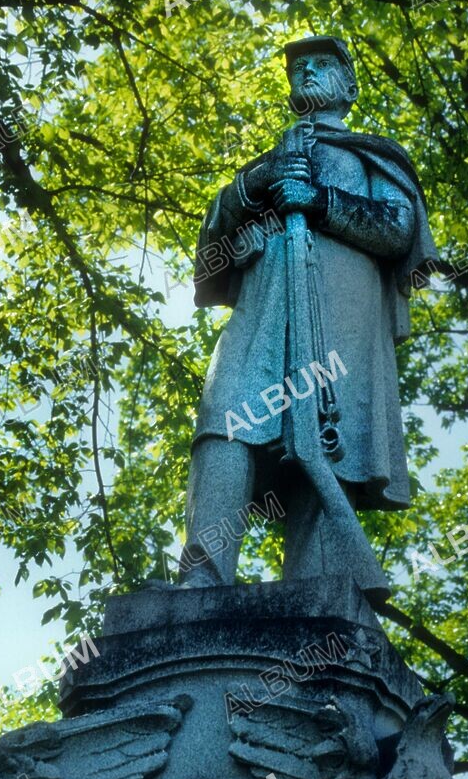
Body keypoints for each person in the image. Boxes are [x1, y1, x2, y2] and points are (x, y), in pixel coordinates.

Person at [178, 36, 437, 606]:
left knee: (327, 439)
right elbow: (210, 248)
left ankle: (317, 595)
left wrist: (319, 201)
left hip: (341, 314)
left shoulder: (373, 155)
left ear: (349, 85)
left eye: (322, 65)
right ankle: (202, 574)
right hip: (262, 311)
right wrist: (255, 185)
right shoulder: (265, 164)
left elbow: (398, 229)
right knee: (226, 420)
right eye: (298, 68)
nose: (307, 73)